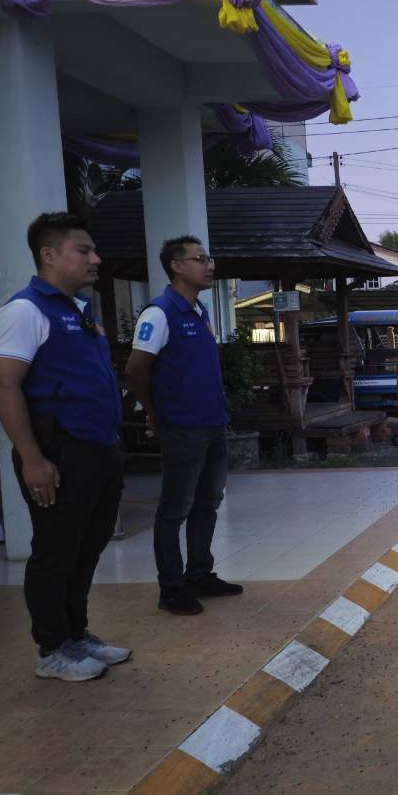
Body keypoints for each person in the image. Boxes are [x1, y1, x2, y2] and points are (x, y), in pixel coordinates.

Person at [0, 213, 132, 681]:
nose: (96, 259)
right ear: (49, 255)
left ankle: (76, 634)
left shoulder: (79, 309)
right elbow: (6, 385)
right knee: (55, 552)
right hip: (59, 452)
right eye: (83, 251)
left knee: (87, 548)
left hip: (98, 449)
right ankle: (51, 649)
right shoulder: (25, 310)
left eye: (94, 251)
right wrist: (32, 457)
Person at [125, 236, 242, 616]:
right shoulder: (159, 313)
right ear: (177, 266)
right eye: (200, 259)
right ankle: (171, 586)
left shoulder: (200, 312)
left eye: (209, 258)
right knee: (175, 508)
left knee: (208, 502)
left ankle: (199, 574)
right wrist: (154, 410)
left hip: (212, 423)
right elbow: (135, 369)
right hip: (183, 427)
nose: (209, 265)